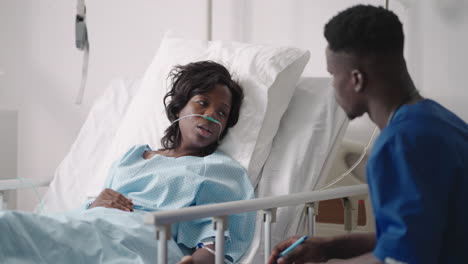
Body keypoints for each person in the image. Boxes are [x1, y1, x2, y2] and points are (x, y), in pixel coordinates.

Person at [0, 61, 255, 264]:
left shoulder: (221, 170)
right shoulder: (133, 156)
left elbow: (218, 240)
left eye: (222, 112)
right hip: (95, 226)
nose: (211, 114)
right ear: (179, 107)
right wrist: (94, 204)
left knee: (10, 228)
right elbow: (97, 210)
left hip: (143, 238)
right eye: (202, 103)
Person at [268, 5, 468, 264]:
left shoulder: (398, 145)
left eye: (332, 75)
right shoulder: (441, 122)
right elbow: (420, 236)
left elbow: (403, 259)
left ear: (356, 80)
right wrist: (331, 247)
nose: (332, 87)